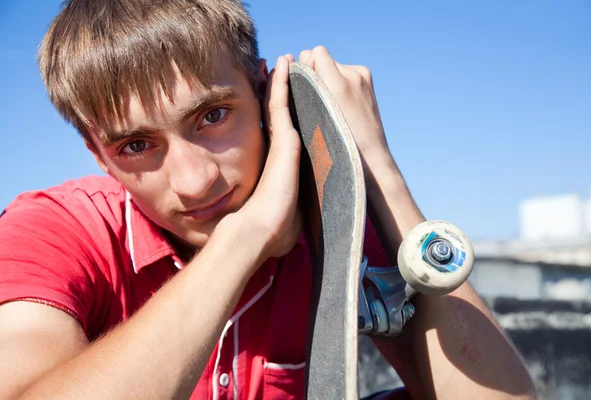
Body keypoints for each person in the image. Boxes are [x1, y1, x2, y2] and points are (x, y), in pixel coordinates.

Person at [0, 1, 536, 399]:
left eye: (211, 116)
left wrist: (374, 164)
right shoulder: (52, 229)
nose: (194, 181)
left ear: (264, 91)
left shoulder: (331, 216)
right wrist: (245, 238)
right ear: (98, 153)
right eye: (137, 145)